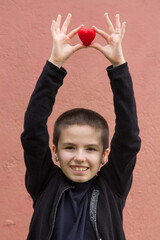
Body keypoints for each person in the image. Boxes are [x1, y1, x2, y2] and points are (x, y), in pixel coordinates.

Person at [21, 13, 141, 240]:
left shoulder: (112, 185)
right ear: (54, 152)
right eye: (69, 147)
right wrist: (54, 65)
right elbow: (32, 132)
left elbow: (128, 137)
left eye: (90, 149)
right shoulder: (44, 182)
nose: (79, 157)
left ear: (105, 155)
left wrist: (119, 66)